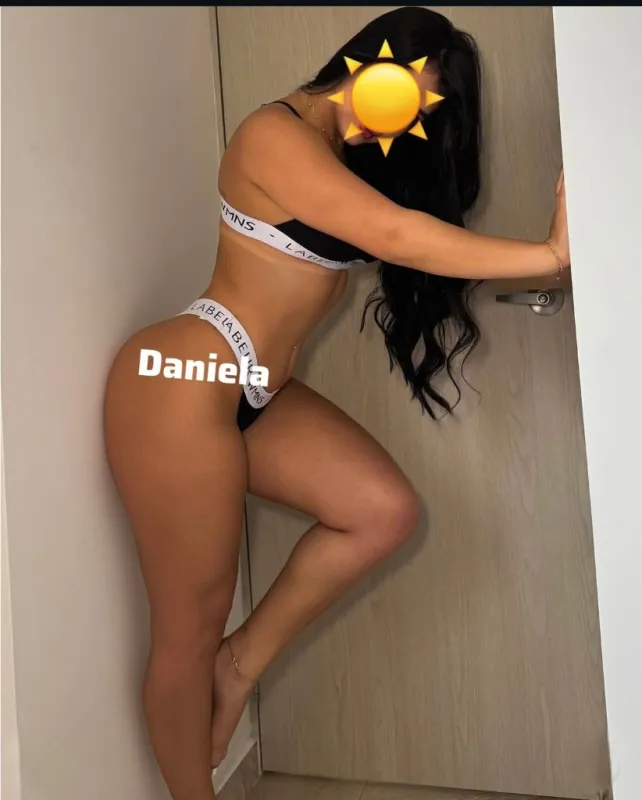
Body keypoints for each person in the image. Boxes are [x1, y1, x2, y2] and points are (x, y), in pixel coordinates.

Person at [103, 7, 569, 800]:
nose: (396, 116)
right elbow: (397, 235)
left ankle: (239, 664)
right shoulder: (272, 135)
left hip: (252, 388)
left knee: (382, 512)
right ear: (362, 62)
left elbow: (402, 227)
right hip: (181, 379)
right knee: (186, 631)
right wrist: (550, 256)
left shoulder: (338, 152)